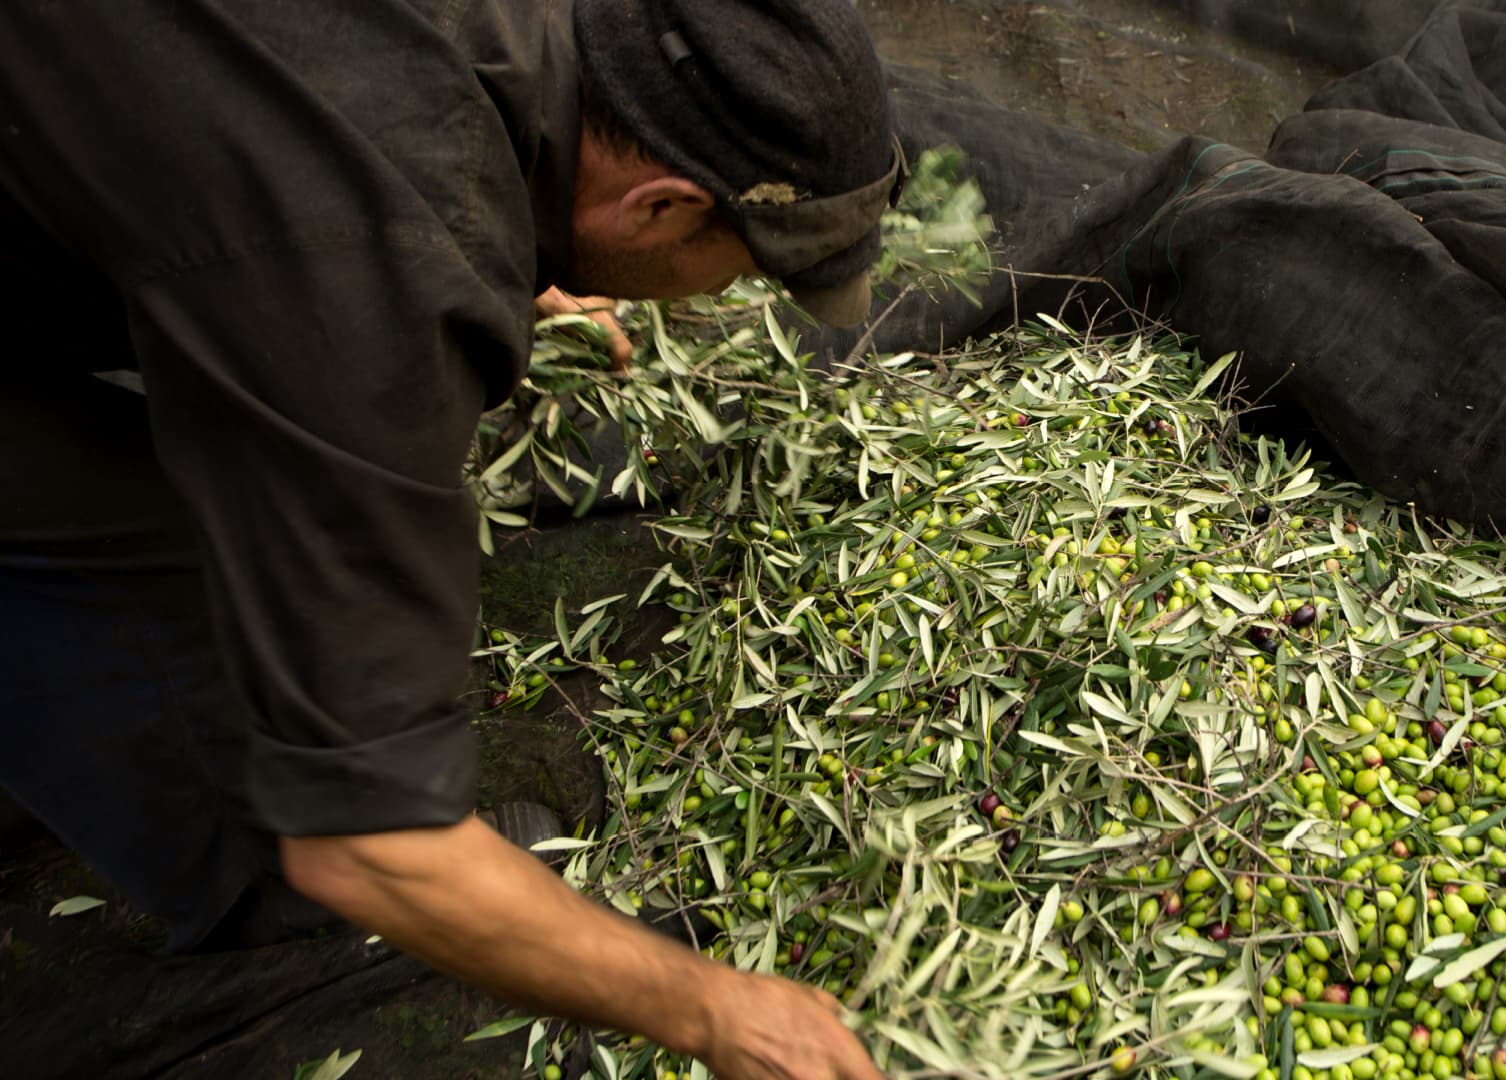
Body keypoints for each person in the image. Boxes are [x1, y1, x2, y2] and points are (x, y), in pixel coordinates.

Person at [0, 1, 898, 1077]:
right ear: (658, 207)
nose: (727, 296)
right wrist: (711, 1009)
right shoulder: (365, 273)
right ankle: (246, 878)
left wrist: (515, 226)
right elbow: (370, 841)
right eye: (740, 269)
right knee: (163, 581)